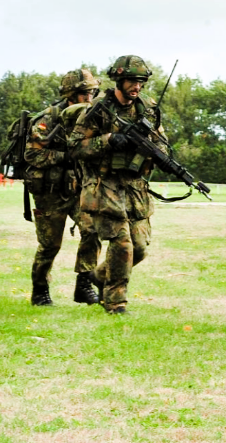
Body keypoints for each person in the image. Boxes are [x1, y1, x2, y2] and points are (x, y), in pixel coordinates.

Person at [69, 56, 167, 314]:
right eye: (133, 81)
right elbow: (75, 147)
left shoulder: (147, 107)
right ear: (120, 81)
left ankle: (100, 277)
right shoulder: (98, 108)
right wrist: (108, 140)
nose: (137, 86)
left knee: (140, 248)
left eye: (141, 81)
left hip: (135, 186)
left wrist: (155, 151)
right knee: (121, 243)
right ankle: (115, 302)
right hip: (104, 184)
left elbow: (161, 140)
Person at [23, 68, 103, 306]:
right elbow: (32, 155)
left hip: (80, 190)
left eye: (93, 92)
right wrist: (68, 157)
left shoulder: (91, 118)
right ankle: (40, 290)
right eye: (85, 93)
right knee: (50, 245)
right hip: (50, 192)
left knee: (92, 231)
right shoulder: (48, 118)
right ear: (71, 94)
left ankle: (84, 284)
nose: (90, 98)